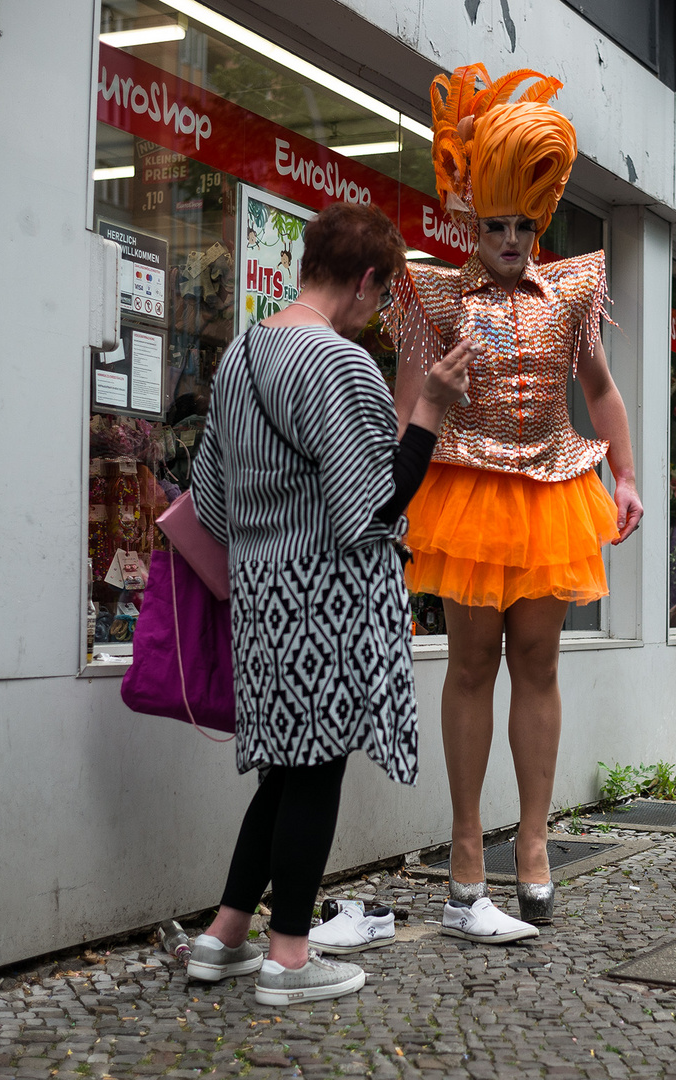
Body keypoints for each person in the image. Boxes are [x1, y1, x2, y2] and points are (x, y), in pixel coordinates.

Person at [185, 204, 471, 1002]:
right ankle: (289, 958)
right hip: (327, 598)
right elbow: (371, 508)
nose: (378, 316)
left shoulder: (242, 354)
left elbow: (208, 497)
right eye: (382, 299)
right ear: (367, 280)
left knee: (285, 768)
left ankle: (224, 936)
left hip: (260, 593)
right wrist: (429, 412)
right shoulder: (337, 363)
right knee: (314, 772)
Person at [390, 65, 644, 937]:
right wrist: (404, 476)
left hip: (552, 490)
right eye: (494, 223)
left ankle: (532, 845)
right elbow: (406, 407)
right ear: (467, 213)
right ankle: (467, 851)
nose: (510, 239)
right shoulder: (430, 293)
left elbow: (601, 390)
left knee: (539, 665)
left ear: (540, 216)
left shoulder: (570, 290)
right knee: (470, 666)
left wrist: (628, 474)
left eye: (524, 224)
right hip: (464, 490)